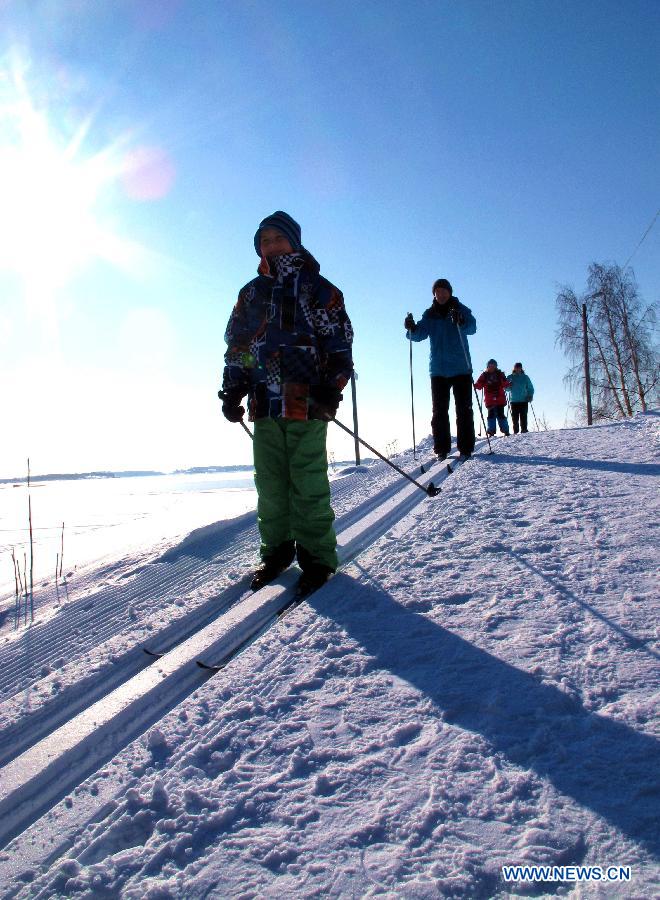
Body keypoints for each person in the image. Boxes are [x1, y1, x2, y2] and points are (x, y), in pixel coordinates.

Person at [220, 211, 353, 595]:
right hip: (264, 402)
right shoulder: (250, 294)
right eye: (264, 241)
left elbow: (340, 344)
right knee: (271, 484)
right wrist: (233, 389)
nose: (271, 246)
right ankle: (276, 551)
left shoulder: (319, 289)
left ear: (294, 240)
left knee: (307, 480)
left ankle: (317, 559)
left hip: (307, 401)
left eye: (278, 238)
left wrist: (332, 389)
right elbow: (238, 347)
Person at [404, 278, 476, 460]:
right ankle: (441, 449)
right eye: (438, 291)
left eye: (444, 291)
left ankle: (466, 448)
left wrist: (461, 320)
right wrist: (411, 328)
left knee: (464, 409)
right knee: (439, 411)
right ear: (434, 294)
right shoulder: (430, 314)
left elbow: (472, 327)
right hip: (438, 370)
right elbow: (419, 334)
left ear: (450, 292)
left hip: (461, 367)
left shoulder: (461, 309)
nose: (441, 294)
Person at [474, 359, 511, 437]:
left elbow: (505, 383)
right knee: (491, 415)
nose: (492, 367)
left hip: (498, 398)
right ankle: (492, 431)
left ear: (496, 366)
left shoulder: (499, 374)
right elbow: (479, 385)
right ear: (488, 366)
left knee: (500, 414)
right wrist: (476, 385)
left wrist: (508, 384)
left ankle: (504, 430)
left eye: (493, 366)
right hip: (491, 399)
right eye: (490, 366)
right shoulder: (485, 375)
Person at [507, 362, 534, 433]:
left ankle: (524, 429)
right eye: (516, 367)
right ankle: (515, 431)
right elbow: (506, 388)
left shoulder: (525, 377)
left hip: (524, 400)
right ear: (514, 368)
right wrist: (508, 386)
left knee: (523, 416)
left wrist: (530, 395)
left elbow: (530, 388)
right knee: (514, 418)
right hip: (514, 400)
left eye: (519, 367)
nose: (518, 369)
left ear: (521, 368)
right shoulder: (510, 377)